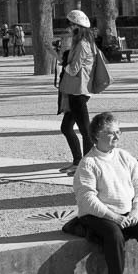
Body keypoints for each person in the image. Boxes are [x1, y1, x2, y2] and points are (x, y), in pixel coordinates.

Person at [73, 112, 138, 274]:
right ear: (96, 135)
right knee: (114, 235)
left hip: (127, 211)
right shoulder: (88, 163)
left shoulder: (124, 156)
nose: (117, 136)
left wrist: (136, 209)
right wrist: (114, 217)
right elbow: (87, 199)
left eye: (118, 131)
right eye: (111, 133)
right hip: (98, 214)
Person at [57, 10, 96, 176]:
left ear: (78, 27)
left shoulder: (83, 45)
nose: (68, 28)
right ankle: (78, 161)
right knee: (66, 127)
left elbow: (73, 69)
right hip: (74, 90)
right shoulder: (79, 43)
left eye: (71, 25)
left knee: (85, 130)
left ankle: (85, 165)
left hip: (78, 91)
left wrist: (65, 64)